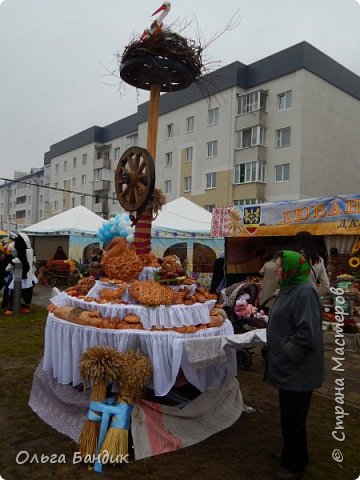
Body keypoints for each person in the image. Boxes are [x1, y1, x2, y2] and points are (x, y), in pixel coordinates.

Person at [265, 250, 324, 479]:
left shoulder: (304, 293)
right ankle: (293, 454)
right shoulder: (291, 288)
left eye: (279, 266)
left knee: (294, 419)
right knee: (289, 417)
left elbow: (308, 335)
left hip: (298, 370)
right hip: (289, 368)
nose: (276, 269)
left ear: (290, 269)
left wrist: (287, 353)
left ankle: (295, 465)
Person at [295, 231, 330, 295]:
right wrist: (314, 294)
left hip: (296, 297)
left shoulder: (294, 258)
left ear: (297, 242)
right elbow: (326, 287)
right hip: (312, 298)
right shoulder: (319, 260)